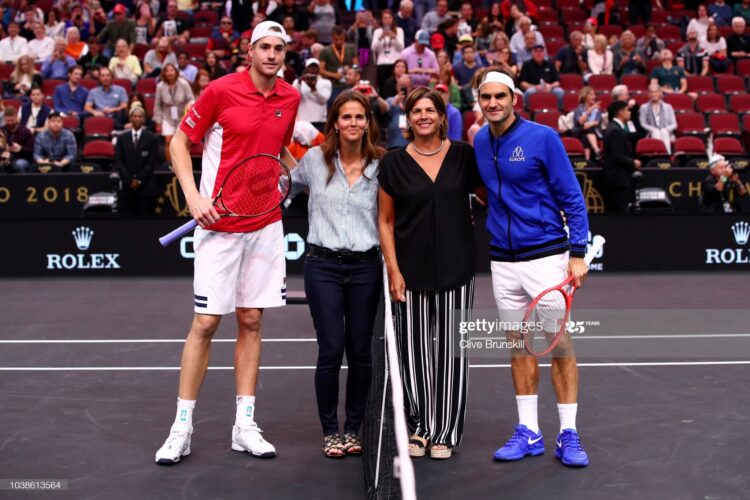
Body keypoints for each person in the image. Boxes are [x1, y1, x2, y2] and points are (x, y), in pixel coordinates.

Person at [154, 20, 300, 465]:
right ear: (249, 51)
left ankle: (244, 425)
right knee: (205, 323)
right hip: (218, 226)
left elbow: (279, 154)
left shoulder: (290, 98)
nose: (273, 55)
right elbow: (179, 143)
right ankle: (181, 428)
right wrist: (193, 197)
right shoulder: (220, 91)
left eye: (279, 49)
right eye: (265, 48)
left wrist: (310, 176)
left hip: (265, 224)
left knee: (252, 320)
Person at [472, 69, 590, 468]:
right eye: (485, 97)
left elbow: (572, 196)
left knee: (558, 347)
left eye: (499, 96)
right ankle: (529, 432)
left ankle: (568, 434)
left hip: (545, 256)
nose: (492, 103)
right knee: (519, 346)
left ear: (514, 99)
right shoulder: (480, 140)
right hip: (503, 261)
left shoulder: (544, 138)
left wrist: (577, 252)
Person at [378, 87, 485, 461]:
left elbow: (491, 195)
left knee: (453, 355)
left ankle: (446, 430)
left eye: (430, 110)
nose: (423, 116)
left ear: (443, 117)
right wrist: (393, 270)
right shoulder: (392, 163)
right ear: (407, 119)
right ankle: (421, 427)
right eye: (416, 111)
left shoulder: (463, 156)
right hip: (410, 270)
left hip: (458, 266)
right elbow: (385, 221)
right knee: (414, 354)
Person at [289, 91, 384, 458]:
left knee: (360, 353)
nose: (353, 124)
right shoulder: (313, 159)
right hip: (322, 267)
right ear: (334, 123)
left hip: (365, 268)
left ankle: (354, 429)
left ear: (368, 123)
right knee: (330, 350)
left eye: (360, 117)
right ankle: (331, 431)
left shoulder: (381, 165)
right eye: (346, 117)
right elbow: (284, 189)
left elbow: (395, 214)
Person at [114, 105, 159, 216]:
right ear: (130, 119)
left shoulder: (152, 138)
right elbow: (119, 162)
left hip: (146, 188)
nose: (137, 119)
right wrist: (129, 180)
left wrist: (138, 180)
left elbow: (151, 163)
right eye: (135, 116)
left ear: (143, 119)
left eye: (140, 116)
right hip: (126, 188)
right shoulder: (122, 138)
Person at [603, 100, 641, 212]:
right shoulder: (616, 131)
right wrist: (633, 162)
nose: (630, 112)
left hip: (614, 180)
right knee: (620, 215)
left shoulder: (612, 127)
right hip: (618, 180)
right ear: (620, 112)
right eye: (627, 110)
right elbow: (617, 156)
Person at [154, 63, 194, 165]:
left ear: (175, 72)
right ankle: (170, 165)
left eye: (171, 70)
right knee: (168, 141)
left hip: (182, 116)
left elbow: (191, 99)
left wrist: (189, 105)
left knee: (181, 143)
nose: (169, 73)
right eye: (167, 71)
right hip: (167, 117)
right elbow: (157, 105)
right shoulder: (160, 86)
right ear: (164, 73)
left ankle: (182, 164)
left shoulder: (183, 83)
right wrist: (158, 121)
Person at [318, 26, 358, 103]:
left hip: (349, 85)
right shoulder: (325, 51)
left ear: (344, 38)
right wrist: (334, 75)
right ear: (332, 38)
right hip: (332, 86)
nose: (339, 41)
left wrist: (350, 70)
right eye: (336, 39)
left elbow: (356, 66)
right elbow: (320, 70)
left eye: (341, 39)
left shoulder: (351, 48)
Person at [518, 43, 565, 108]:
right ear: (532, 53)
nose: (539, 54)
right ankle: (528, 112)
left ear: (544, 53)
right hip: (534, 87)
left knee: (560, 92)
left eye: (541, 51)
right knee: (529, 92)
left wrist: (550, 86)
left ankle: (559, 111)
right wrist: (535, 87)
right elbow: (522, 83)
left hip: (548, 87)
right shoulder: (527, 65)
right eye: (536, 51)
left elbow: (557, 82)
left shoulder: (550, 64)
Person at [372, 9, 405, 95]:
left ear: (393, 19)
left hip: (395, 63)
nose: (387, 20)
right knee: (383, 88)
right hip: (382, 63)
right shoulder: (377, 31)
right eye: (385, 18)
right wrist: (380, 37)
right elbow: (373, 48)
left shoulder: (399, 30)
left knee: (395, 87)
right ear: (382, 20)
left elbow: (401, 47)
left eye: (389, 18)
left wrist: (394, 37)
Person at [293, 58, 332, 132]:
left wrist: (313, 89)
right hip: (303, 121)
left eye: (315, 67)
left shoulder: (326, 82)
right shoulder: (298, 82)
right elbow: (296, 98)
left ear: (319, 69)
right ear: (306, 69)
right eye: (310, 67)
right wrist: (299, 83)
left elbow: (323, 101)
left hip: (320, 121)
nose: (313, 69)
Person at [639, 83, 677, 154]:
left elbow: (674, 124)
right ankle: (658, 154)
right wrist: (652, 129)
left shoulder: (668, 107)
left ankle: (666, 155)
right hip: (652, 133)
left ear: (660, 93)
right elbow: (642, 123)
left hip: (667, 133)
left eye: (656, 92)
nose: (654, 94)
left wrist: (667, 130)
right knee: (656, 132)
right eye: (652, 92)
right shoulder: (644, 107)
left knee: (664, 131)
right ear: (648, 94)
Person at [1, 105, 34, 172]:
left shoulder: (25, 131)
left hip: (21, 158)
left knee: (19, 164)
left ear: (16, 118)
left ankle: (22, 182)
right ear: (4, 119)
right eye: (8, 120)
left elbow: (32, 150)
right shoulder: (1, 131)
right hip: (4, 158)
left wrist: (20, 149)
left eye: (12, 120)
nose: (10, 123)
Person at [572, 86, 602, 161]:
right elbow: (580, 122)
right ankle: (596, 150)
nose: (594, 97)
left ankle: (587, 160)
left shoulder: (597, 109)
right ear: (585, 96)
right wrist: (590, 110)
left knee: (586, 133)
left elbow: (598, 122)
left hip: (594, 132)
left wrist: (590, 124)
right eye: (591, 94)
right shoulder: (579, 109)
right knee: (585, 130)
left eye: (594, 94)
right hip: (579, 131)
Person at [385, 74, 412, 149]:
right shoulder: (390, 100)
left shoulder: (415, 101)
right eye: (402, 86)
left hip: (410, 144)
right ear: (397, 87)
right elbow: (384, 117)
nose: (404, 88)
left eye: (407, 86)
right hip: (393, 143)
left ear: (410, 87)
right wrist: (395, 103)